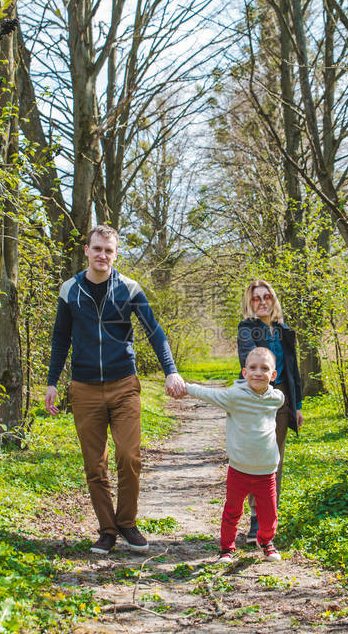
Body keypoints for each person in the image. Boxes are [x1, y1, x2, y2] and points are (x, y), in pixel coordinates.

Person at [45, 225, 186, 556]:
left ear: (116, 254)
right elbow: (60, 338)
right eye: (97, 249)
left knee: (128, 455)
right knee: (95, 465)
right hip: (84, 388)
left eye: (108, 250)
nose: (102, 255)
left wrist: (171, 371)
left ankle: (127, 523)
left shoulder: (129, 288)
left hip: (124, 385)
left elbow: (155, 332)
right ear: (87, 251)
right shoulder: (70, 290)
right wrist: (52, 381)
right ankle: (107, 531)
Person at [182, 347, 284, 562]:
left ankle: (265, 540)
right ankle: (227, 549)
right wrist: (186, 387)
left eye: (264, 369)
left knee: (269, 517)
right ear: (244, 372)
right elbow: (209, 394)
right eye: (253, 368)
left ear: (273, 375)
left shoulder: (276, 398)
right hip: (239, 470)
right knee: (232, 512)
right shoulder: (234, 397)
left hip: (266, 471)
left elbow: (278, 399)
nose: (258, 372)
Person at [237, 279, 304, 542]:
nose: (263, 302)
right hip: (257, 399)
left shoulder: (284, 330)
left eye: (267, 297)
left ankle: (269, 519)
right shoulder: (247, 329)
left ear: (273, 300)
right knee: (258, 458)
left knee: (276, 459)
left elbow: (294, 369)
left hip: (284, 399)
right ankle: (256, 520)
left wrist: (297, 405)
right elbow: (250, 361)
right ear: (250, 303)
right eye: (257, 298)